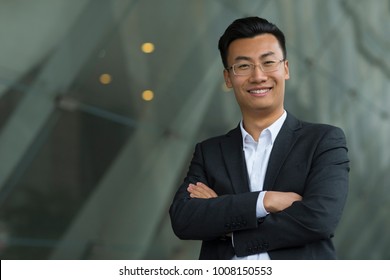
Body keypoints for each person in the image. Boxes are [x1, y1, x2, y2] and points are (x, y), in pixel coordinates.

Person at [169, 16, 349, 260]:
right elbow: (184, 219)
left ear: (285, 69)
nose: (258, 76)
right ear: (228, 78)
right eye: (243, 66)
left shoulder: (323, 141)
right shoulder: (210, 152)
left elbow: (319, 218)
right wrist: (266, 201)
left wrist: (229, 225)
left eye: (268, 62)